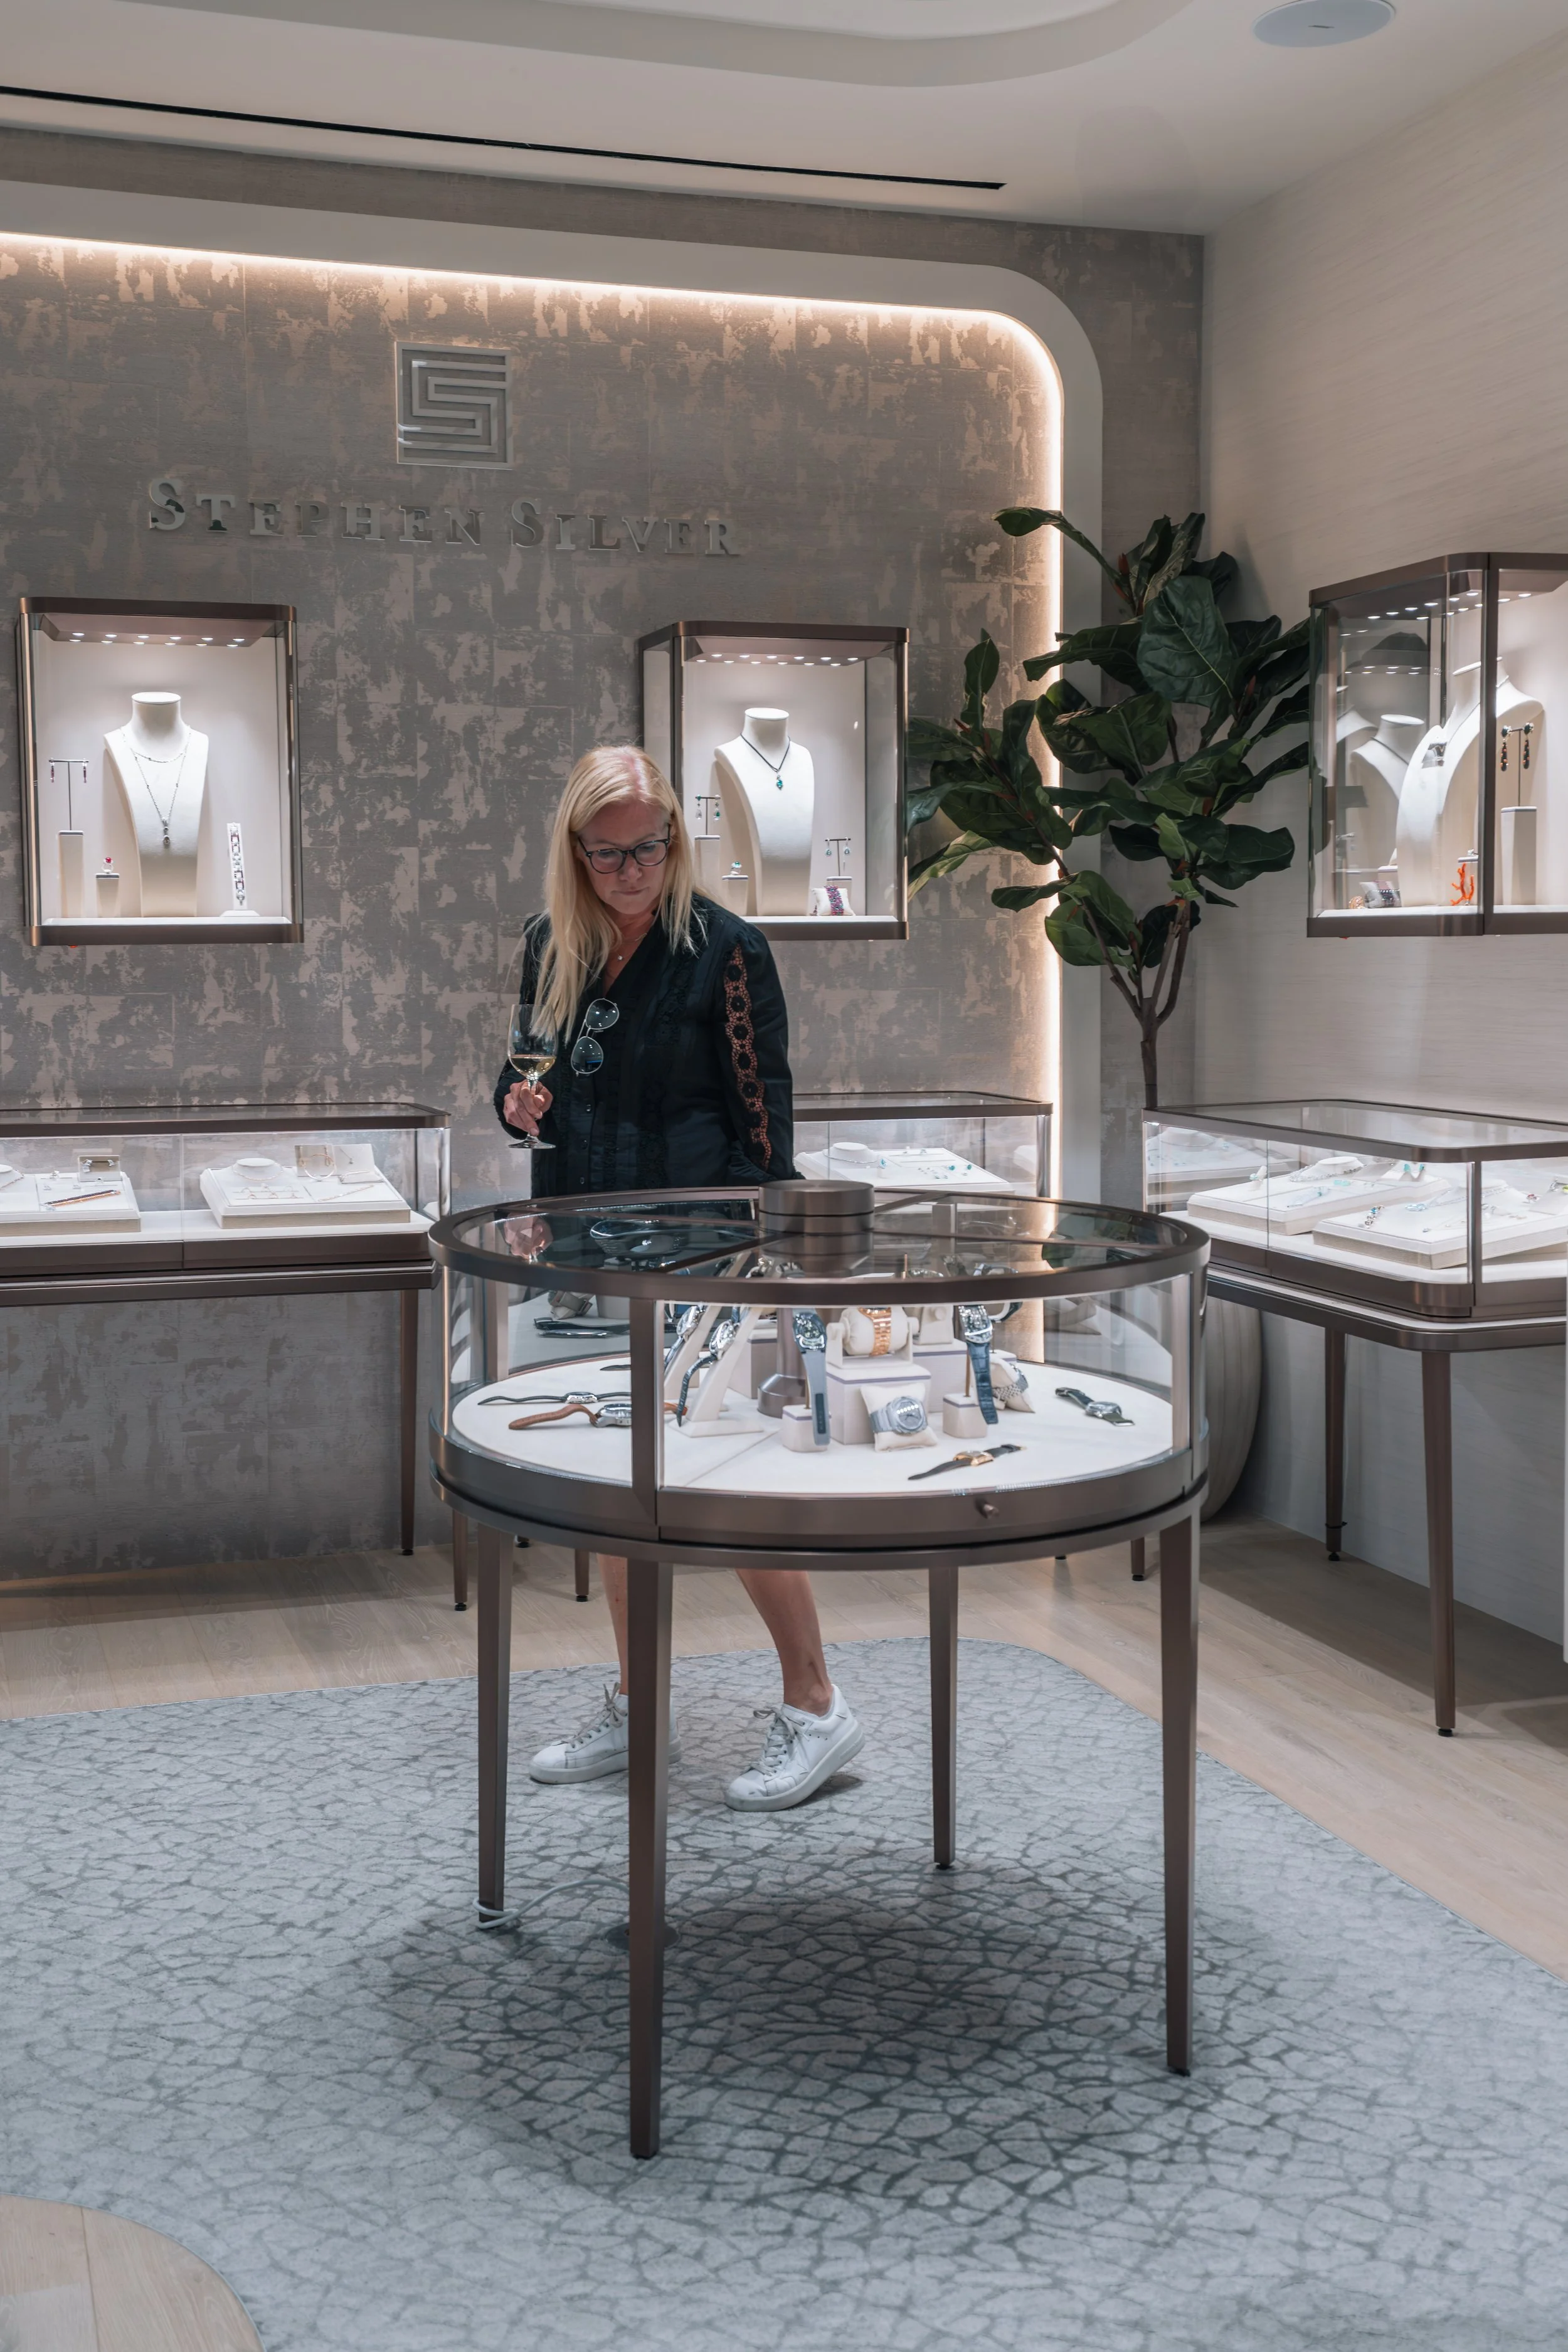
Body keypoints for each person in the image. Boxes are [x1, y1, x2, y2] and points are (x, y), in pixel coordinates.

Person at [495, 745, 863, 1813]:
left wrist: (764, 1277)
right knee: (622, 1485)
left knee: (726, 1487)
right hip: (591, 1265)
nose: (630, 870)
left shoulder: (729, 952)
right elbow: (533, 1080)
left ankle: (817, 1703)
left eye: (648, 848)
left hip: (708, 1263)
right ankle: (635, 1697)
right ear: (575, 851)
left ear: (676, 839)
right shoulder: (550, 946)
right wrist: (513, 1106)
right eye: (607, 854)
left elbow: (766, 1125)